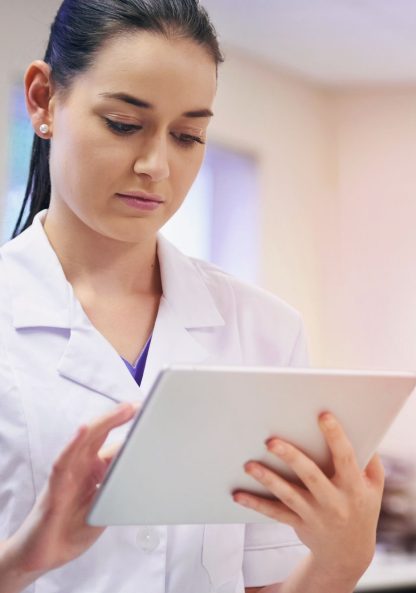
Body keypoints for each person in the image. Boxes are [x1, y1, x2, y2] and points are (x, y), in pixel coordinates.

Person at [0, 1, 385, 592]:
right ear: (43, 99)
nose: (157, 165)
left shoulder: (264, 330)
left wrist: (341, 562)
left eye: (188, 136)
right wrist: (24, 557)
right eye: (124, 125)